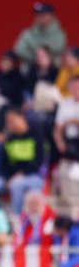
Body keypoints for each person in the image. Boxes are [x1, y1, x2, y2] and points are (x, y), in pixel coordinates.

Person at [3, 108, 45, 214]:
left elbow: (39, 161)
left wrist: (21, 174)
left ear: (21, 118)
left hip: (36, 175)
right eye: (8, 122)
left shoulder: (36, 134)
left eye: (12, 121)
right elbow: (8, 163)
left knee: (17, 185)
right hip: (15, 176)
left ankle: (20, 217)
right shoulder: (10, 139)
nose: (10, 124)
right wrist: (9, 177)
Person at [53, 76, 79, 218]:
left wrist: (72, 121)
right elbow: (58, 127)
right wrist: (60, 142)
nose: (76, 90)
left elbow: (67, 122)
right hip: (68, 144)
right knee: (64, 176)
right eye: (74, 87)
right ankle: (70, 215)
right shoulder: (64, 103)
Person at [14, 2, 66, 70]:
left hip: (52, 73)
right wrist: (37, 57)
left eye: (43, 15)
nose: (40, 18)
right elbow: (19, 50)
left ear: (51, 16)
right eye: (37, 15)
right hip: (29, 73)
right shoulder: (28, 33)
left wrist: (41, 52)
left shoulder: (59, 34)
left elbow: (55, 49)